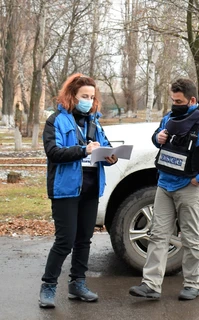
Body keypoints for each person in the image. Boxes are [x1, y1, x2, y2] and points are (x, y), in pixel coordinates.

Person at [129, 79, 199, 301]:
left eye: (179, 101)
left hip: (189, 188)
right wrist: (158, 137)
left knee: (191, 238)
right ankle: (151, 285)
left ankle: (193, 284)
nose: (174, 104)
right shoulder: (169, 117)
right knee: (157, 235)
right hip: (164, 185)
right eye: (172, 100)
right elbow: (157, 138)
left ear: (192, 100)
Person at [39, 74, 118, 308]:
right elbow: (54, 153)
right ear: (72, 95)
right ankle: (48, 286)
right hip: (65, 190)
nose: (89, 100)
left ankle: (78, 284)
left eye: (92, 97)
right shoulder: (56, 121)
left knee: (84, 240)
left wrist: (110, 156)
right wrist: (83, 150)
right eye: (85, 96)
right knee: (65, 240)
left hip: (91, 189)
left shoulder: (94, 121)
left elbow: (102, 147)